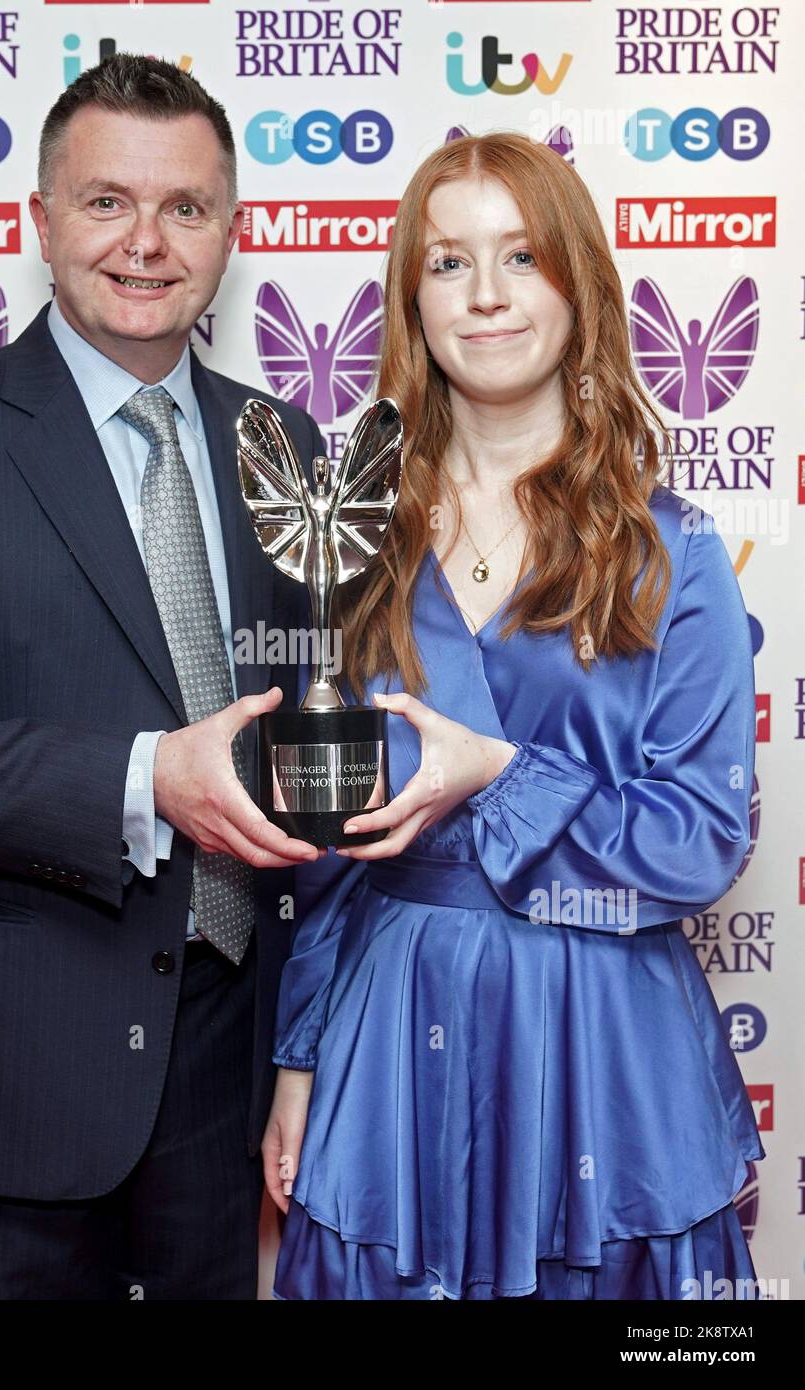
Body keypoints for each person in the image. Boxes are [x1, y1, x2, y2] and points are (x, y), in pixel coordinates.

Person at [0, 54, 324, 1300]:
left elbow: (303, 724)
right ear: (38, 220)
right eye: (106, 202)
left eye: (184, 209)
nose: (146, 242)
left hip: (225, 1058)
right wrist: (153, 775)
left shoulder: (287, 444)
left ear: (229, 234)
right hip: (12, 1068)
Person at [262, 132, 765, 1301]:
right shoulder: (357, 543)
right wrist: (295, 1059)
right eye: (447, 263)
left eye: (519, 256)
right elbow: (327, 853)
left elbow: (699, 841)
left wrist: (499, 771)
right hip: (393, 1035)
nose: (484, 296)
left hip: (603, 1037)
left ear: (574, 286)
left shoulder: (668, 550)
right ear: (412, 300)